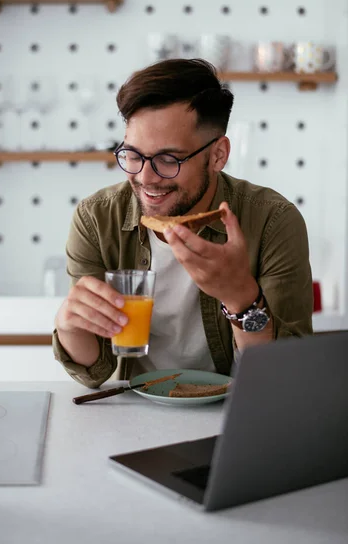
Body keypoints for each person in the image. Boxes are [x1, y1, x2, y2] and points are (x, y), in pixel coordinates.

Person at [53, 59, 313, 388]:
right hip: (137, 410)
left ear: (218, 155)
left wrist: (242, 297)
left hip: (237, 414)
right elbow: (97, 372)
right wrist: (70, 327)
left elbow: (284, 377)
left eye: (168, 159)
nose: (145, 177)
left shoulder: (274, 220)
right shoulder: (96, 218)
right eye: (132, 154)